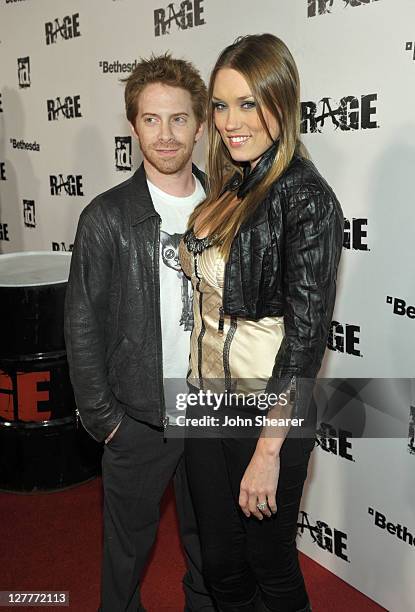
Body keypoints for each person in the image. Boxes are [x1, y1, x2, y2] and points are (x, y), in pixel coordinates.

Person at [179, 34, 344, 612]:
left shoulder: (307, 200)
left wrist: (269, 451)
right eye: (220, 105)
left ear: (282, 101)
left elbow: (303, 343)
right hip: (204, 402)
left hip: (266, 411)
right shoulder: (229, 184)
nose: (229, 122)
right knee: (221, 562)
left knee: (270, 564)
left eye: (248, 103)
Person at [64, 53, 215, 612]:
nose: (166, 134)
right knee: (125, 559)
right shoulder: (105, 217)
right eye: (151, 119)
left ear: (200, 126)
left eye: (178, 119)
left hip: (209, 411)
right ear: (133, 127)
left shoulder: (226, 209)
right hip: (138, 419)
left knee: (212, 551)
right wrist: (106, 421)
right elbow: (81, 324)